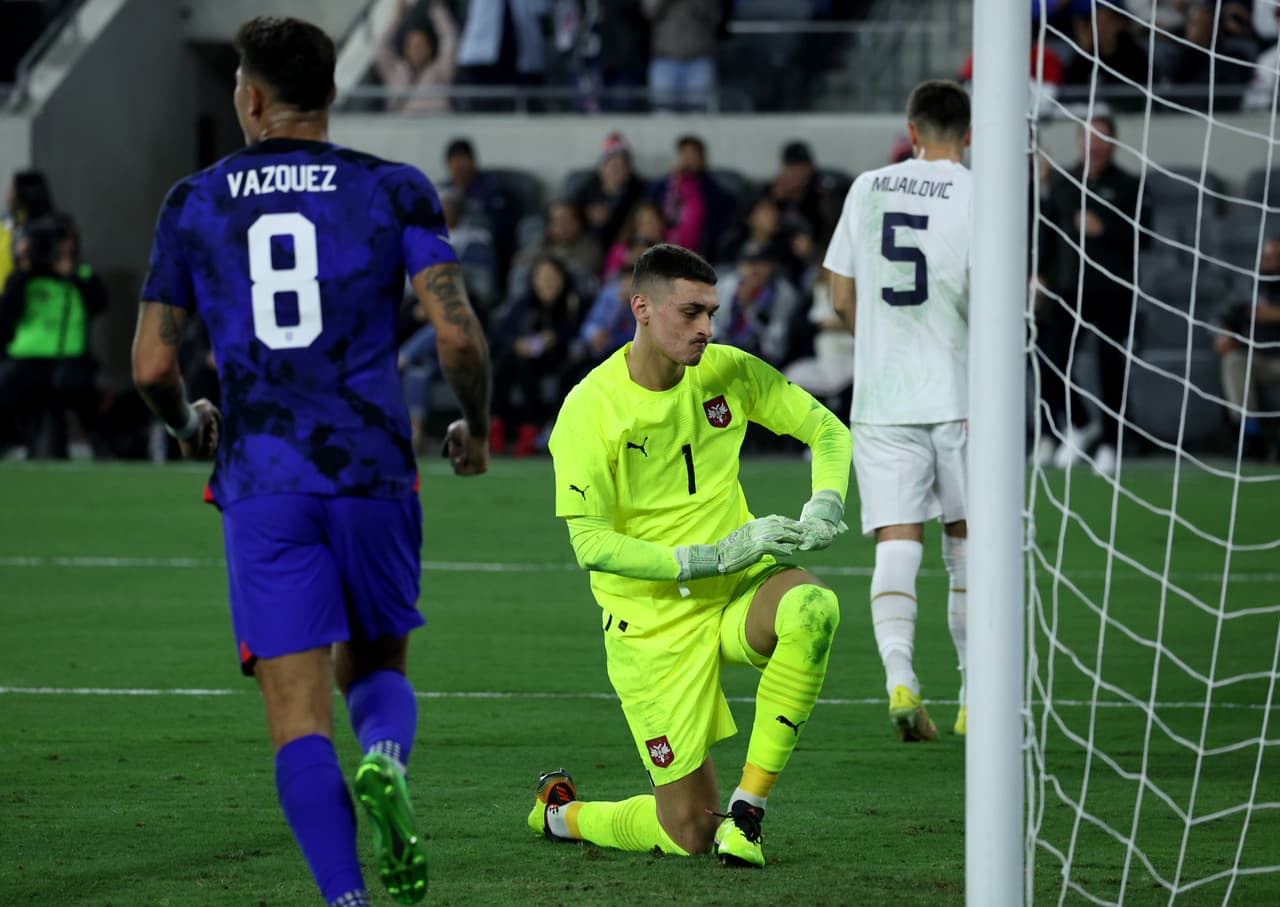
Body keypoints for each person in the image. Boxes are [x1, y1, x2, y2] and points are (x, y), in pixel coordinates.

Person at [130, 16, 491, 907]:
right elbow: (456, 332)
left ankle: (346, 898)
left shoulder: (196, 201)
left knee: (297, 719)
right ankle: (386, 758)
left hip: (263, 478)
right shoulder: (394, 188)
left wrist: (184, 420)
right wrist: (474, 424)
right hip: (372, 464)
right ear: (331, 94)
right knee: (376, 672)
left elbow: (148, 365)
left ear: (250, 97)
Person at [530, 242, 851, 868]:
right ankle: (561, 815)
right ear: (641, 309)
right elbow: (591, 545)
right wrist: (707, 557)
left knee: (812, 607)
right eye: (690, 313)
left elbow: (827, 430)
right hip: (651, 622)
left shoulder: (727, 370)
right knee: (686, 835)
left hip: (737, 589)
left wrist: (826, 502)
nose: (706, 328)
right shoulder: (589, 410)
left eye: (712, 311)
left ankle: (749, 815)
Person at [823, 79, 973, 742]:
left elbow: (841, 296)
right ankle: (974, 692)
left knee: (897, 538)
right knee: (967, 541)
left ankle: (899, 680)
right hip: (961, 393)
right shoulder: (979, 193)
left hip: (882, 398)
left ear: (911, 131)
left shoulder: (867, 187)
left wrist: (883, 347)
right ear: (967, 134)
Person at [1046, 112, 1150, 476]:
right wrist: (1039, 274)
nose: (1095, 144)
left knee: (1110, 367)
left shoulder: (1130, 185)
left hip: (1113, 292)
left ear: (1113, 143)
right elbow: (1048, 232)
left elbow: (1146, 237)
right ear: (1079, 142)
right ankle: (1078, 422)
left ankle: (1111, 442)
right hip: (1069, 290)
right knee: (1049, 356)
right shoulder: (1064, 183)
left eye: (1102, 137)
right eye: (1089, 137)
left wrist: (1104, 228)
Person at [0, 211, 108, 458]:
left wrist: (71, 272)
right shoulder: (23, 279)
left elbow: (100, 303)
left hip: (69, 360)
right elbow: (6, 314)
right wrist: (23, 268)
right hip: (25, 360)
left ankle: (104, 450)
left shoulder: (81, 276)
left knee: (80, 394)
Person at [1213, 235, 1280, 460]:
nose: (1268, 262)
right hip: (1258, 357)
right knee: (1233, 361)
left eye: (1274, 257)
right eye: (1265, 257)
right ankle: (1250, 435)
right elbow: (1221, 316)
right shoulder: (1249, 285)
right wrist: (1222, 334)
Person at [374, 0, 459, 113]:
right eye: (412, 46)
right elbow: (382, 44)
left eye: (421, 46)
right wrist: (397, 18)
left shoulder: (440, 71)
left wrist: (437, 9)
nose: (417, 50)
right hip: (401, 126)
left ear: (429, 49)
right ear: (406, 49)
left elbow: (449, 39)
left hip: (435, 125)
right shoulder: (394, 71)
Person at [569, 131, 648, 253]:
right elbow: (573, 212)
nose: (618, 171)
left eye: (623, 166)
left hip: (624, 245)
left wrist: (609, 220)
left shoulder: (639, 190)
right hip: (587, 243)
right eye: (614, 166)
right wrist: (588, 218)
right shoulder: (588, 187)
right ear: (602, 167)